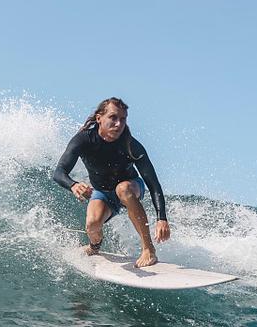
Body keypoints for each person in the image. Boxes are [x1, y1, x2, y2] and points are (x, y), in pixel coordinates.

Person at [53, 97, 170, 267]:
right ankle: (94, 247)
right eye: (113, 117)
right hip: (102, 192)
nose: (118, 123)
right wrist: (73, 185)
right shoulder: (84, 140)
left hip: (130, 188)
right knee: (92, 224)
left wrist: (162, 218)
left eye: (123, 119)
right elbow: (59, 172)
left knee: (123, 189)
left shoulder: (131, 145)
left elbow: (153, 183)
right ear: (99, 118)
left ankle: (148, 250)